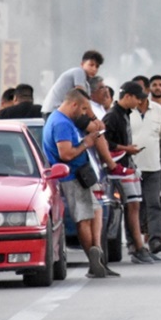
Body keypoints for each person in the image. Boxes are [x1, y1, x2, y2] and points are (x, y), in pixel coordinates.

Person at [43, 89, 112, 278]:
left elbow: (97, 125)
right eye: (82, 109)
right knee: (83, 218)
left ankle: (97, 253)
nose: (84, 114)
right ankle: (93, 259)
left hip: (82, 175)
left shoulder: (66, 120)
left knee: (94, 212)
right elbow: (65, 154)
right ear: (73, 105)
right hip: (71, 177)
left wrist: (88, 111)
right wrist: (86, 143)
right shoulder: (61, 124)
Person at [103, 81, 158, 264]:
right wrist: (125, 148)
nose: (139, 103)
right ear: (127, 96)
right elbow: (103, 142)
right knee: (132, 206)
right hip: (118, 168)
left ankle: (139, 247)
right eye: (137, 99)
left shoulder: (124, 114)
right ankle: (138, 248)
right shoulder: (112, 116)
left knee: (135, 206)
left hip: (127, 164)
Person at [130, 80, 161, 255]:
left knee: (154, 203)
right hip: (132, 167)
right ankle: (135, 242)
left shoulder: (158, 111)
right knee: (135, 206)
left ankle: (154, 240)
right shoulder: (128, 111)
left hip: (153, 166)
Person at [41, 50, 104, 116]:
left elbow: (86, 104)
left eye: (97, 66)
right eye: (91, 65)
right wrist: (93, 118)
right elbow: (81, 96)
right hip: (53, 111)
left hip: (62, 112)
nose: (94, 69)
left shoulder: (87, 85)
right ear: (82, 64)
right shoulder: (79, 71)